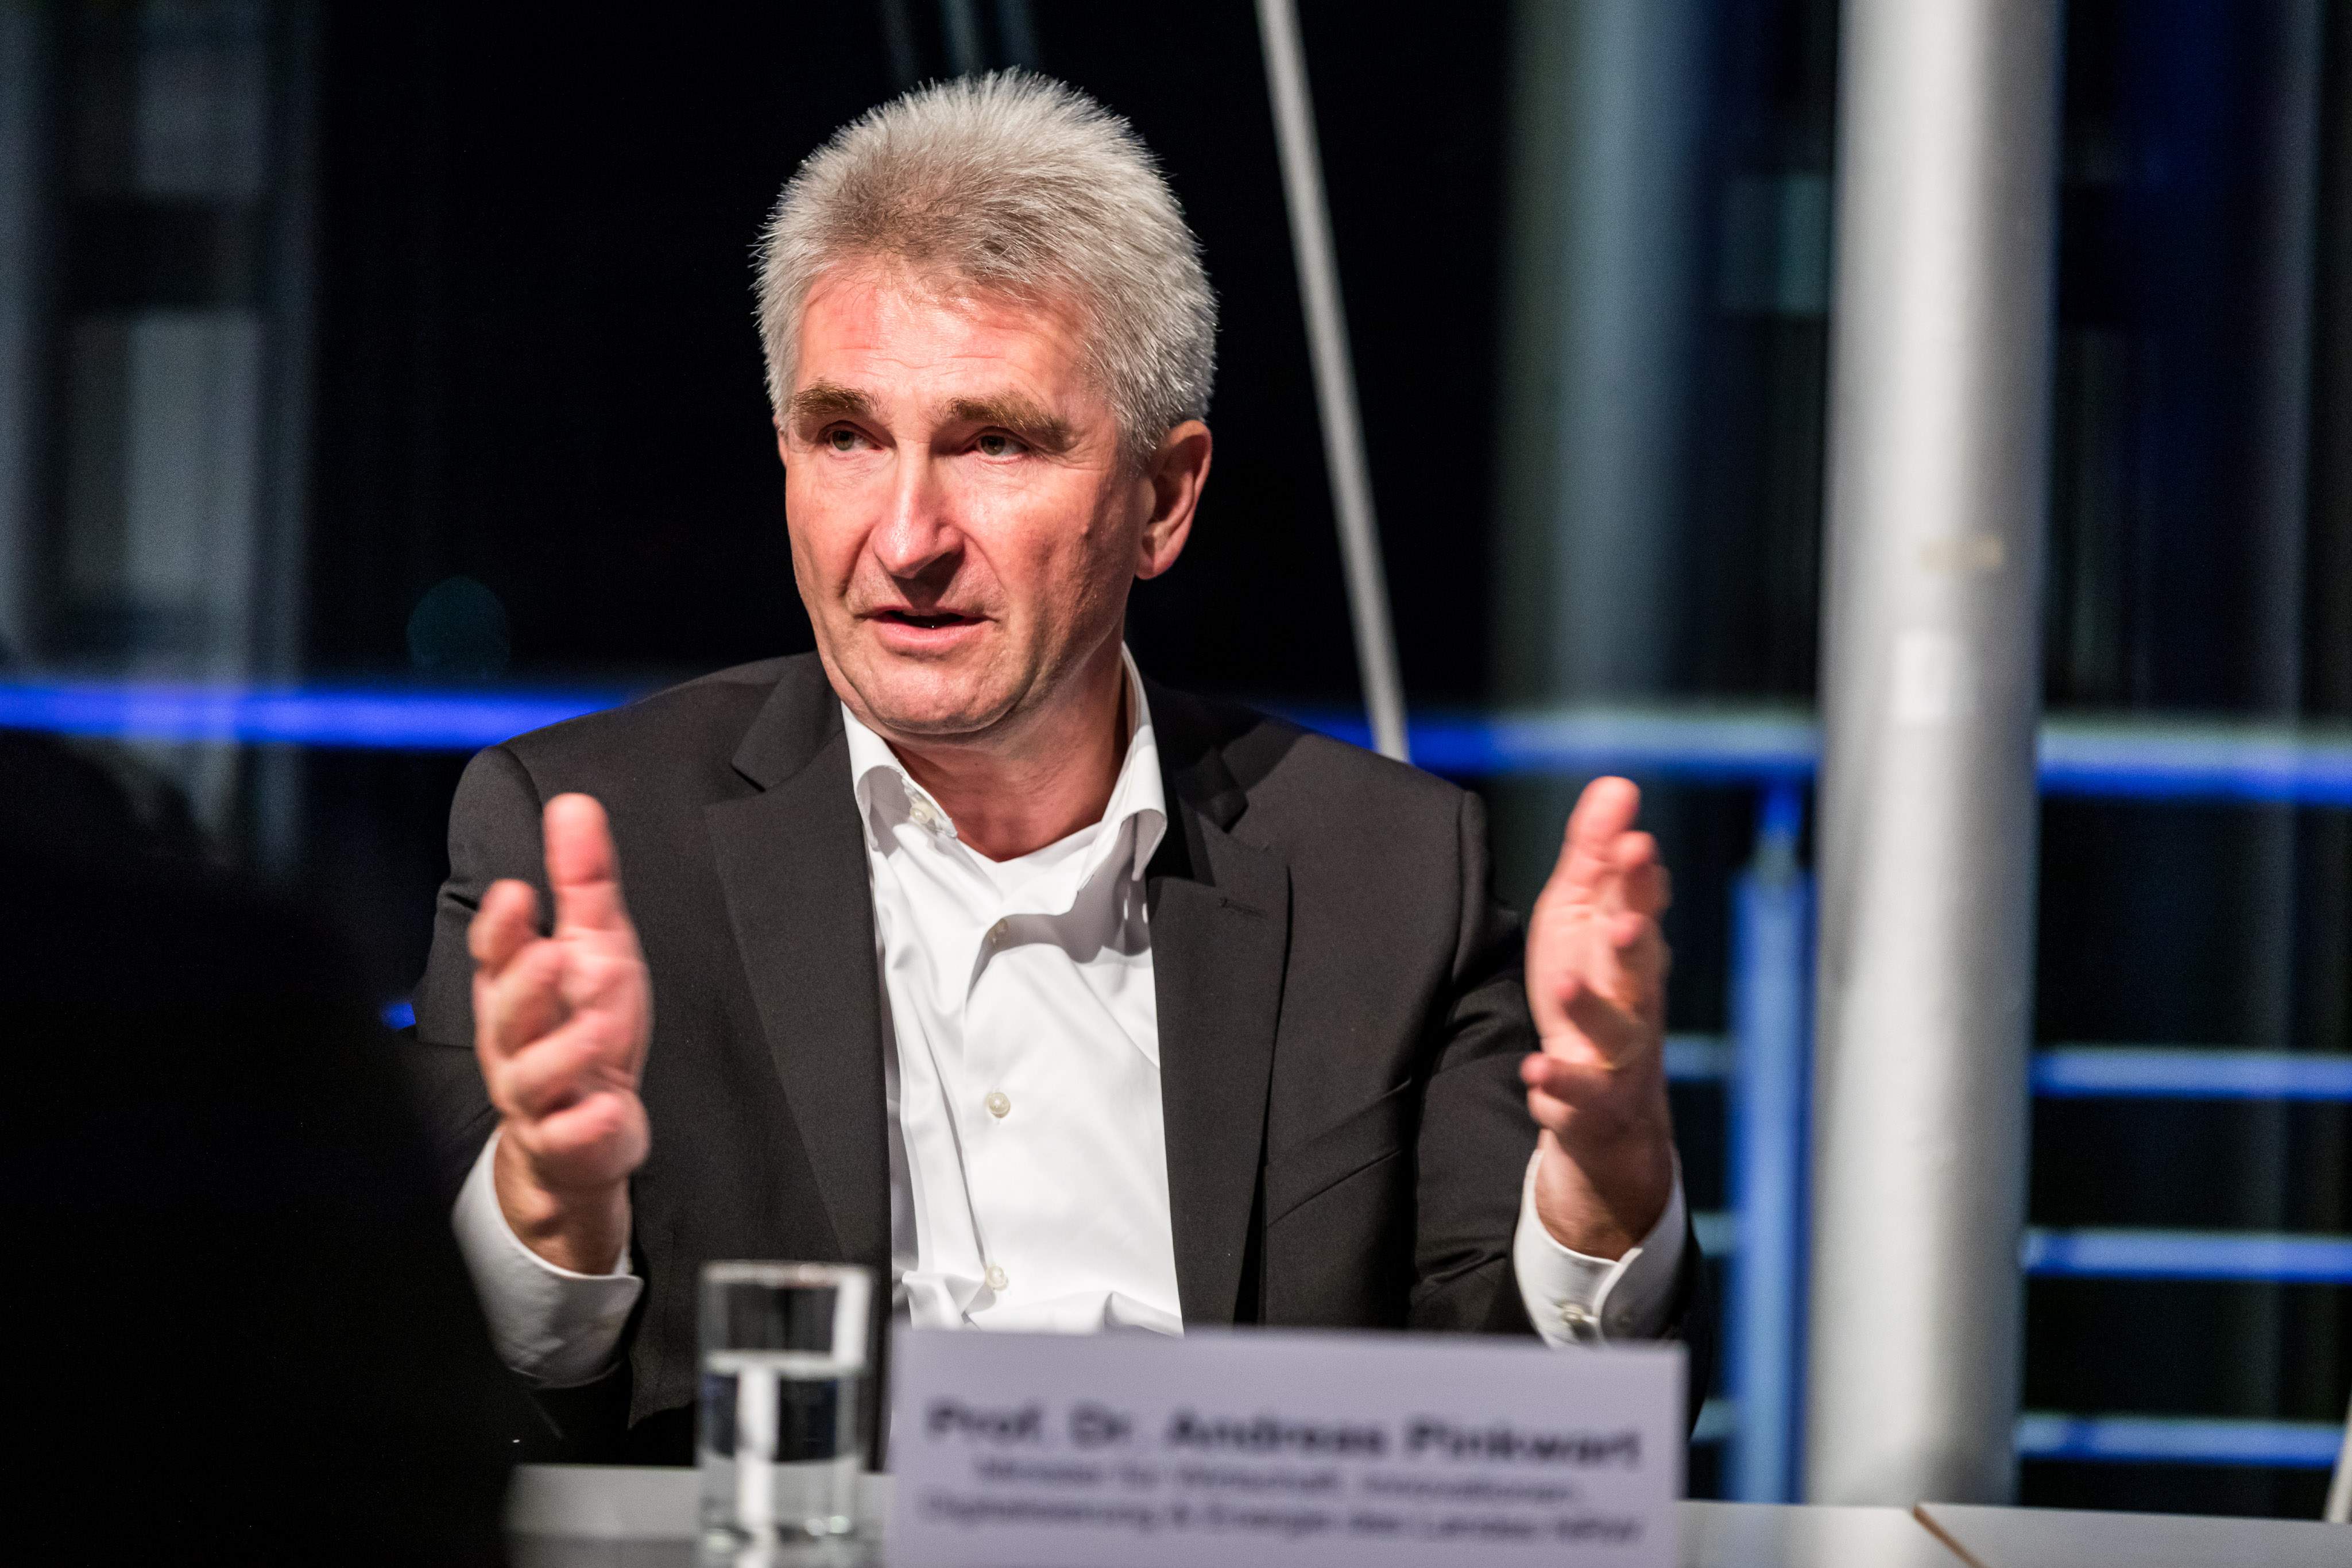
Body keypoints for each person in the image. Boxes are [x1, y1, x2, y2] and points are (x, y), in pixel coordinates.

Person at [405, 72, 1705, 1462]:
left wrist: (1603, 1194)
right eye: (847, 437)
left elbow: (1514, 1430)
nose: (906, 537)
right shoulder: (587, 844)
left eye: (994, 444)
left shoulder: (1386, 875)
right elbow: (449, 1402)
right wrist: (554, 1211)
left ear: (1163, 497)